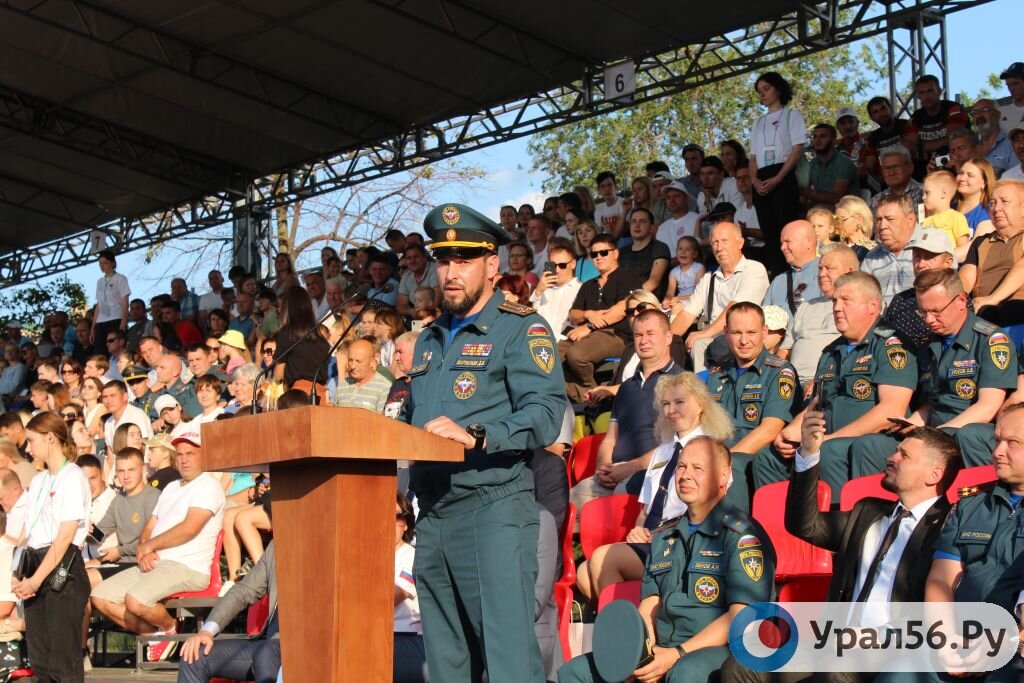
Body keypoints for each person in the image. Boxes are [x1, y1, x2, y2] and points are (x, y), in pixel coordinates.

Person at [406, 203, 565, 682]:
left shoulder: (521, 327)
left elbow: (546, 414)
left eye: (464, 261)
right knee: (446, 665)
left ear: (492, 266)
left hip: (492, 510)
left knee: (508, 665)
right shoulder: (428, 340)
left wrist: (477, 435)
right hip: (432, 517)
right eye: (444, 260)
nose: (450, 273)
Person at [721, 425, 960, 683]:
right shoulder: (868, 511)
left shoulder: (949, 526)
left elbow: (932, 609)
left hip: (893, 648)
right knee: (742, 667)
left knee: (837, 672)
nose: (891, 457)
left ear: (934, 474)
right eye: (895, 451)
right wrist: (809, 454)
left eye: (904, 455)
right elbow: (805, 525)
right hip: (834, 643)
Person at [558, 437, 776, 683]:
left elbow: (742, 616)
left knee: (684, 673)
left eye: (698, 468)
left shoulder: (742, 535)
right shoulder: (663, 534)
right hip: (667, 647)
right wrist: (639, 655)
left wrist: (676, 654)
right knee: (575, 672)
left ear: (723, 477)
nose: (685, 475)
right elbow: (651, 602)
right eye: (681, 467)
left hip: (724, 649)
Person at [575, 372, 735, 605]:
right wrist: (636, 530)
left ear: (700, 404)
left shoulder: (711, 450)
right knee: (583, 575)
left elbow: (713, 510)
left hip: (682, 543)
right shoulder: (663, 451)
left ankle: (627, 633)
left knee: (602, 559)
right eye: (666, 404)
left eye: (680, 402)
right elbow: (645, 510)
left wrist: (661, 535)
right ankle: (642, 621)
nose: (671, 411)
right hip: (651, 540)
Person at [854, 268, 1017, 475]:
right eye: (923, 312)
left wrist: (934, 436)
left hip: (968, 431)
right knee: (870, 444)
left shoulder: (991, 341)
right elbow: (931, 405)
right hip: (934, 432)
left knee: (966, 436)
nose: (929, 320)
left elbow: (988, 407)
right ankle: (877, 506)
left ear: (960, 301)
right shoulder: (929, 346)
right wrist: (911, 424)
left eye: (936, 311)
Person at [91, 424, 226, 662]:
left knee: (135, 600)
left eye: (190, 453)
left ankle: (170, 628)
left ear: (204, 455)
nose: (184, 460)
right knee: (100, 596)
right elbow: (150, 526)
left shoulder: (209, 484)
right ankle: (159, 634)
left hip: (188, 566)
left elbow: (189, 528)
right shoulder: (172, 487)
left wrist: (150, 546)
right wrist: (144, 549)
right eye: (180, 454)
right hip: (157, 562)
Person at [927, 402, 1024, 681]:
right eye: (997, 441)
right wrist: (944, 638)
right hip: (959, 639)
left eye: (1012, 443)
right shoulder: (970, 505)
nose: (997, 452)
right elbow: (941, 579)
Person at [569, 310, 682, 511]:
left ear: (668, 337)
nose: (644, 340)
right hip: (615, 474)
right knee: (564, 505)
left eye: (650, 333)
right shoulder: (627, 387)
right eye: (638, 335)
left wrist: (630, 467)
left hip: (652, 475)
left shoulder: (681, 383)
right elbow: (610, 439)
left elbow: (678, 445)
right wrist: (603, 469)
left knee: (608, 508)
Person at [14, 411, 91, 681]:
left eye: (31, 440)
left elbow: (64, 537)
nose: (27, 447)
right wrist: (18, 571)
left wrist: (35, 581)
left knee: (62, 659)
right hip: (35, 563)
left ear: (50, 438)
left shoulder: (73, 477)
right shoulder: (38, 480)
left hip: (62, 568)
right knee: (40, 657)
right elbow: (28, 530)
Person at [708, 303, 801, 492]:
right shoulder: (716, 375)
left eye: (751, 332)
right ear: (725, 333)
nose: (744, 340)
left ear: (764, 332)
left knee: (729, 470)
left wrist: (725, 460)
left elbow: (770, 429)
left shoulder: (780, 372)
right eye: (736, 333)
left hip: (754, 458)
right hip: (715, 455)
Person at [669, 222, 771, 372]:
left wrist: (705, 333)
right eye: (715, 242)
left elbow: (735, 310)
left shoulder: (754, 269)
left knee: (699, 343)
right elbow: (687, 315)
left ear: (740, 242)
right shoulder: (709, 278)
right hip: (714, 341)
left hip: (741, 338)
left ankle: (703, 393)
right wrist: (665, 341)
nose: (719, 247)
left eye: (724, 240)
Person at [179, 541, 281, 683]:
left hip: (303, 649)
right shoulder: (278, 545)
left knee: (266, 653)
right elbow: (243, 591)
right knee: (194, 655)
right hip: (267, 646)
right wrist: (206, 631)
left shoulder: (321, 545)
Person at [559, 234, 643, 400]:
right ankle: (588, 395)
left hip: (617, 335)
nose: (598, 257)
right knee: (550, 357)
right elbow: (573, 314)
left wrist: (588, 326)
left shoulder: (628, 276)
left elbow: (622, 309)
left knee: (577, 355)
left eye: (603, 252)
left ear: (615, 253)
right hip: (588, 336)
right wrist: (588, 314)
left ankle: (596, 396)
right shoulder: (588, 284)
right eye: (594, 254)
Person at [749, 72, 807, 276]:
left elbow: (796, 149)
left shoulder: (792, 115)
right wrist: (754, 179)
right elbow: (753, 157)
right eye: (759, 91)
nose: (762, 94)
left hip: (782, 174)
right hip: (762, 177)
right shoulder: (757, 123)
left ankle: (796, 271)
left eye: (766, 89)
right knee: (769, 232)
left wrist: (779, 178)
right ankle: (778, 274)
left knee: (786, 228)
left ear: (778, 89)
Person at [86, 447, 160, 582]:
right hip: (121, 563)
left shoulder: (153, 497)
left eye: (131, 470)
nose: (126, 476)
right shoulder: (118, 500)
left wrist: (119, 551)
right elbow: (101, 533)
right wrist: (88, 532)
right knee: (78, 576)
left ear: (143, 469)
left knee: (88, 580)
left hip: (141, 564)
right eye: (121, 471)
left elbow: (151, 540)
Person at [960, 180, 1024, 326]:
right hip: (983, 313)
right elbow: (966, 278)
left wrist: (993, 298)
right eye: (992, 203)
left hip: (1017, 312)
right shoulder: (981, 242)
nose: (996, 208)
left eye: (1005, 202)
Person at [882, 228, 959, 349]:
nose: (921, 264)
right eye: (917, 257)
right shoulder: (900, 301)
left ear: (948, 263)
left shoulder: (956, 299)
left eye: (928, 257)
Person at [272, 287, 331, 405]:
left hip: (298, 397)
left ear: (286, 309)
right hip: (321, 394)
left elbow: (278, 375)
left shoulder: (286, 333)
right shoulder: (320, 335)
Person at [393, 493, 427, 683]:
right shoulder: (366, 556)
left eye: (397, 516)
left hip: (408, 640)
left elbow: (388, 597)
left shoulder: (413, 557)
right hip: (376, 636)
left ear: (405, 523)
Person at [861, 193, 919, 305]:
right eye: (878, 220)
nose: (882, 226)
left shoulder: (929, 248)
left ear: (910, 220)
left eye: (890, 219)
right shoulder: (871, 258)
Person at [762, 220, 821, 320]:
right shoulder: (778, 281)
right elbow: (765, 318)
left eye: (788, 242)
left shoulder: (826, 275)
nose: (782, 247)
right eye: (782, 243)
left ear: (808, 242)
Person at [910, 74, 968, 168]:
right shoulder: (916, 116)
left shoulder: (953, 108)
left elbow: (954, 139)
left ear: (939, 91)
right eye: (922, 92)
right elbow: (911, 146)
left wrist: (921, 148)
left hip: (954, 163)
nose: (926, 96)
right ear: (918, 96)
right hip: (925, 167)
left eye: (930, 91)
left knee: (945, 150)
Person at [799, 123, 860, 209]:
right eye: (815, 137)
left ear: (834, 141)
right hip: (821, 211)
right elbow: (805, 198)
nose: (817, 140)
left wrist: (801, 191)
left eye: (822, 136)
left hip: (846, 211)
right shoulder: (812, 163)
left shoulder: (844, 162)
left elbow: (836, 198)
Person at [529, 239, 581, 340]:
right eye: (553, 266)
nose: (557, 270)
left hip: (565, 345)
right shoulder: (545, 290)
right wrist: (538, 292)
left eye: (562, 265)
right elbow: (535, 320)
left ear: (573, 264)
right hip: (540, 342)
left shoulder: (581, 289)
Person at [618, 208, 671, 299]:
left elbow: (653, 282)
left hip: (649, 302)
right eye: (633, 221)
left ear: (651, 228)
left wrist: (629, 299)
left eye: (642, 221)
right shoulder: (622, 251)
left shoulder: (660, 247)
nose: (637, 225)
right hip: (624, 300)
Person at [921, 171, 970, 257]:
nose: (923, 197)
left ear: (943, 193)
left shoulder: (956, 218)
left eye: (927, 193)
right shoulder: (926, 222)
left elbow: (963, 249)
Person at [334, 338, 392, 412]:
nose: (353, 366)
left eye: (358, 361)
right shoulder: (343, 384)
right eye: (350, 360)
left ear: (371, 362)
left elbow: (384, 421)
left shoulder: (384, 387)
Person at [90, 249, 130, 354]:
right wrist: (93, 327)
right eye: (100, 264)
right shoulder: (100, 282)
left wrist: (123, 323)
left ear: (113, 263)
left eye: (105, 263)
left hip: (116, 318)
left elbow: (125, 302)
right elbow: (99, 305)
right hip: (101, 320)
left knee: (114, 349)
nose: (102, 266)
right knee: (100, 352)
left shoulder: (120, 278)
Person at [871, 145, 924, 212]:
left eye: (896, 167)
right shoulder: (877, 200)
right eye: (887, 168)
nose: (891, 173)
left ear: (910, 168)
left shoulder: (923, 193)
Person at [956, 157, 997, 240]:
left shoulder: (987, 213)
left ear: (984, 182)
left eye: (970, 175)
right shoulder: (949, 206)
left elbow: (976, 247)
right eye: (960, 173)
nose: (962, 178)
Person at [397, 243, 440, 317]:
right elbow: (400, 305)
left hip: (437, 316)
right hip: (417, 319)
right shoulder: (406, 277)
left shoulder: (435, 270)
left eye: (416, 257)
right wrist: (411, 311)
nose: (412, 261)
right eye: (409, 258)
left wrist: (424, 316)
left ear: (424, 258)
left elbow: (437, 300)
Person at [662, 236, 705, 307]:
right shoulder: (674, 272)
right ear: (676, 251)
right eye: (680, 248)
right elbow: (669, 293)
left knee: (677, 307)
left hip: (694, 301)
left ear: (694, 254)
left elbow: (699, 293)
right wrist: (666, 301)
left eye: (687, 249)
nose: (683, 252)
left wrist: (678, 298)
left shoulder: (699, 268)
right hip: (679, 301)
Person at [594, 171, 625, 238]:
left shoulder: (624, 203)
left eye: (609, 185)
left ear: (615, 186)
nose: (607, 189)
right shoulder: (599, 209)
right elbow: (598, 231)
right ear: (599, 190)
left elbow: (625, 230)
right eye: (603, 186)